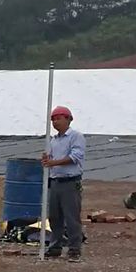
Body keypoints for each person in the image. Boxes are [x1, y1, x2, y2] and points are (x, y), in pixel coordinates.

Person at [41, 104, 86, 261]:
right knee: (55, 217)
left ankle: (74, 249)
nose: (55, 122)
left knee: (71, 217)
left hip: (70, 182)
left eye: (58, 118)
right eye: (53, 119)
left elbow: (75, 157)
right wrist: (47, 161)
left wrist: (54, 163)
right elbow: (50, 160)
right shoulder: (53, 140)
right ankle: (55, 247)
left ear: (68, 119)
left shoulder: (75, 137)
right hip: (55, 181)